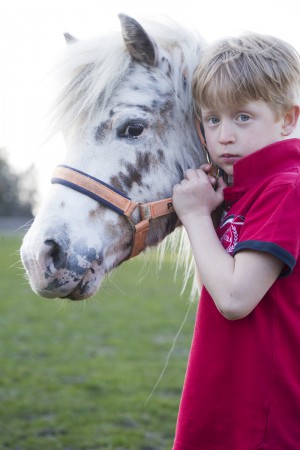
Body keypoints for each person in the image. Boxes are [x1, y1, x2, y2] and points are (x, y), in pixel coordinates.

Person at [172, 32, 300, 449]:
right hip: (224, 405)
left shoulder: (286, 189)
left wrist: (193, 215)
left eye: (242, 117)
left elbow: (233, 298)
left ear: (287, 118)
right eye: (213, 119)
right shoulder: (241, 191)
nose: (224, 135)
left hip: (261, 420)